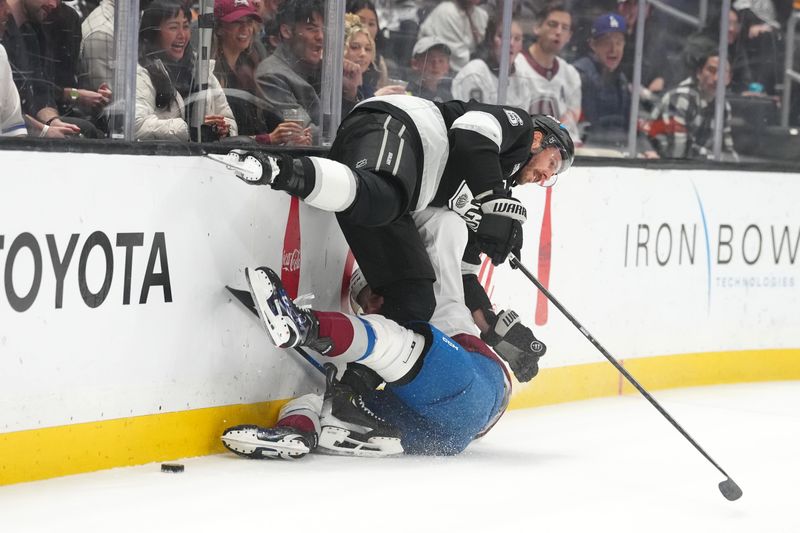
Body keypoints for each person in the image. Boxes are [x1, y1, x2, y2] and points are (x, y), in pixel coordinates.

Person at [209, 94, 574, 329]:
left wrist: (492, 326)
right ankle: (276, 170)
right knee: (385, 197)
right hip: (397, 128)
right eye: (552, 162)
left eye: (551, 177)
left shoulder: (492, 189)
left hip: (399, 191)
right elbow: (470, 133)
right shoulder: (518, 129)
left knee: (412, 302)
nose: (545, 174)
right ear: (539, 140)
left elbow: (460, 274)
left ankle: (347, 396)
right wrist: (495, 201)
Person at [221, 263, 522, 457]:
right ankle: (297, 432)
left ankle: (303, 325)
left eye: (377, 294)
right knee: (325, 407)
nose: (375, 305)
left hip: (481, 389)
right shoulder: (373, 342)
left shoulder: (437, 296)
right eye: (366, 302)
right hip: (440, 438)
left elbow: (448, 232)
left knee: (395, 341)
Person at [255, 0, 363, 144]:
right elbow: (305, 132)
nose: (320, 36)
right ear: (286, 31)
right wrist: (356, 136)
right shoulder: (270, 75)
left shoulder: (324, 69)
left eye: (323, 29)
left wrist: (349, 92)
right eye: (312, 29)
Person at [135, 0, 237, 141]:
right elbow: (136, 127)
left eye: (186, 26)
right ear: (153, 32)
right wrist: (190, 130)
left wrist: (222, 130)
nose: (182, 35)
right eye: (173, 27)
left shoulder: (200, 67)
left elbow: (228, 119)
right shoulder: (139, 72)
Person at [213, 0, 309, 146]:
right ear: (219, 28)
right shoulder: (210, 74)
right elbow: (217, 140)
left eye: (249, 22)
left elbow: (265, 127)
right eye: (237, 22)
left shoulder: (251, 67)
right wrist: (269, 139)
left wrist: (293, 138)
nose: (245, 29)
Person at [571, 12, 656, 156]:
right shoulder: (578, 76)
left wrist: (647, 148)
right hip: (587, 152)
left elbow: (631, 125)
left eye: (618, 42)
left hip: (617, 151)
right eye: (606, 42)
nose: (614, 49)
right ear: (593, 45)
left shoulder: (622, 81)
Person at [2, 0, 85, 137]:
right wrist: (44, 131)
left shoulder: (31, 32)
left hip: (20, 126)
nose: (54, 5)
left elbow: (40, 89)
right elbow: (8, 115)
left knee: (79, 131)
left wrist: (53, 121)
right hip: (11, 135)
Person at [648, 44, 739, 161]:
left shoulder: (724, 107)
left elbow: (729, 152)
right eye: (711, 70)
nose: (717, 78)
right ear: (699, 73)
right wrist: (717, 158)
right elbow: (678, 153)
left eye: (723, 73)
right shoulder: (681, 97)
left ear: (729, 78)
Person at [515, 2, 582, 144]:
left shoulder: (571, 75)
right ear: (537, 27)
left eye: (565, 28)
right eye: (552, 24)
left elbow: (570, 125)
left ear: (569, 36)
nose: (559, 32)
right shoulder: (515, 66)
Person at [451, 16, 531, 109]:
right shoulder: (474, 73)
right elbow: (473, 119)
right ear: (490, 40)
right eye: (503, 36)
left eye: (517, 39)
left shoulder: (522, 77)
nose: (511, 43)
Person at [417, 0, 489, 73]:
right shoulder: (447, 11)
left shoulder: (482, 15)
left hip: (469, 68)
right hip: (437, 72)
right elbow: (457, 57)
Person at [406, 36, 454, 102]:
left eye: (441, 60)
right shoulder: (407, 94)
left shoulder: (452, 93)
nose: (436, 65)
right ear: (415, 64)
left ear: (448, 66)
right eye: (429, 60)